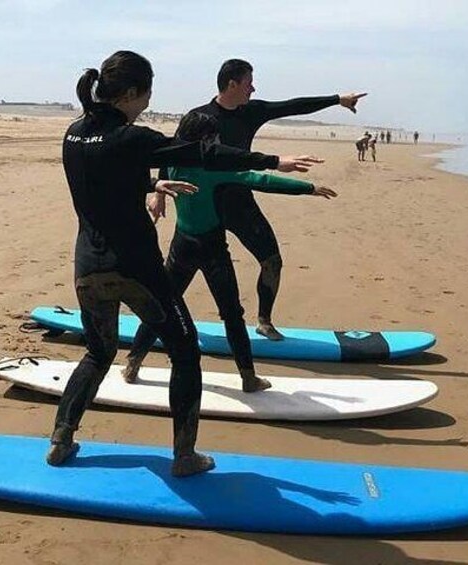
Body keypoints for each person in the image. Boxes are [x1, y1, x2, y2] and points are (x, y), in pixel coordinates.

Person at [48, 51, 320, 477]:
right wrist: (268, 160)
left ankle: (61, 438)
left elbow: (105, 181)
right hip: (136, 269)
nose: (149, 103)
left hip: (87, 268)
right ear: (133, 93)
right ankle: (185, 456)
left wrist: (152, 182)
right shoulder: (133, 138)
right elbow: (204, 155)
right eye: (148, 93)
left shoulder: (74, 134)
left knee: (98, 353)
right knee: (185, 352)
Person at [153, 59, 365, 341]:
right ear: (232, 84)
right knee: (182, 272)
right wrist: (159, 193)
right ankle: (159, 324)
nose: (253, 88)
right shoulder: (200, 118)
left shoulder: (251, 112)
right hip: (204, 203)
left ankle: (264, 320)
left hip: (239, 199)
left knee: (272, 260)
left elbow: (292, 105)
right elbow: (174, 154)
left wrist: (338, 99)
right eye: (248, 82)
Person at [124, 112, 336, 391]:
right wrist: (308, 188)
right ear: (206, 139)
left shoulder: (172, 162)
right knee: (232, 315)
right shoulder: (212, 169)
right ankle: (248, 377)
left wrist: (157, 193)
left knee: (162, 306)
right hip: (211, 249)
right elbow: (259, 180)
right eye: (215, 136)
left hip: (182, 246)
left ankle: (133, 363)